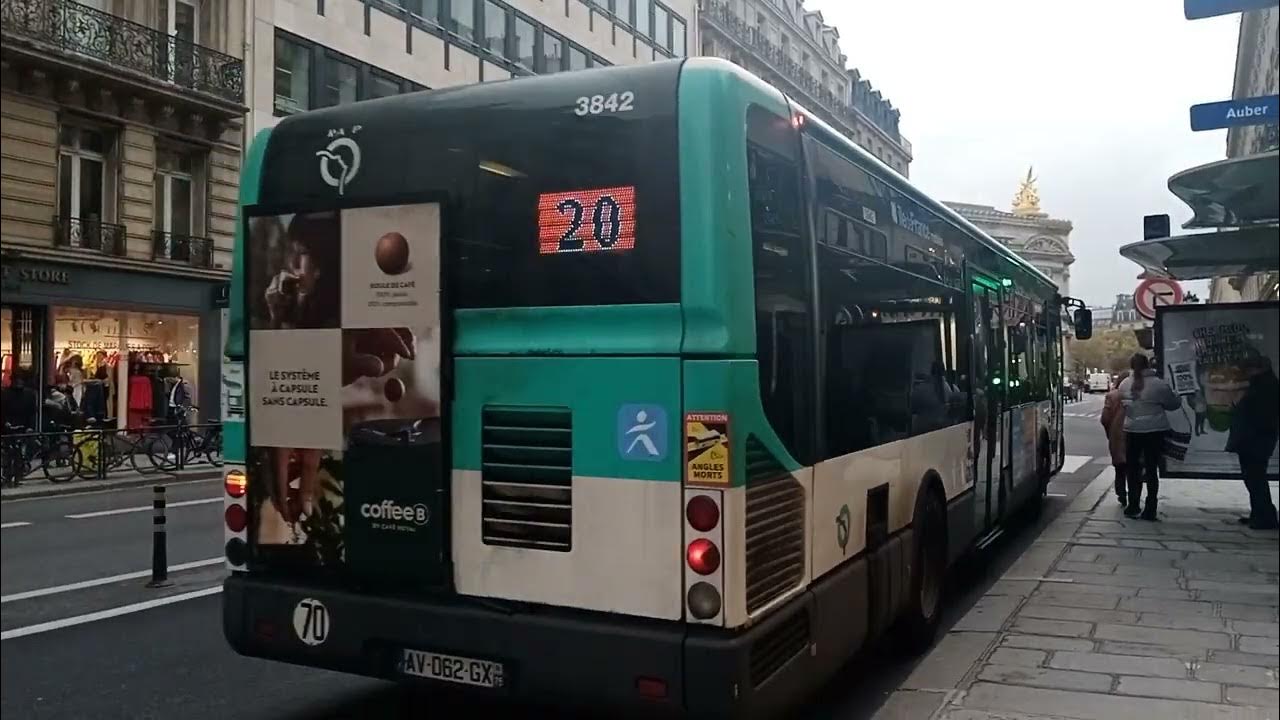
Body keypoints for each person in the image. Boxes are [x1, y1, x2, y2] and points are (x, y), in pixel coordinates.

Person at [1117, 354, 1181, 520]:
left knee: (1133, 469)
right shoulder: (1158, 384)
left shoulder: (1124, 384)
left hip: (1132, 430)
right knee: (1152, 469)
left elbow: (1123, 404)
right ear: (1148, 365)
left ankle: (1133, 504)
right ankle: (1150, 507)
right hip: (1155, 430)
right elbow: (1173, 404)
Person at [1226, 355, 1279, 530]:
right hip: (1256, 439)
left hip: (1254, 440)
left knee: (1255, 479)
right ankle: (1260, 513)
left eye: (1249, 369)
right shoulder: (1266, 384)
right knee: (1255, 479)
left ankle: (1264, 517)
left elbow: (1259, 415)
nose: (1246, 373)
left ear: (1257, 369)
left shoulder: (1264, 387)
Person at [1100, 370, 1131, 506]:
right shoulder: (1135, 393)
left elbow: (1105, 418)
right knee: (1133, 466)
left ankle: (1121, 493)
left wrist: (1110, 432)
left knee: (1119, 467)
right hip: (1133, 433)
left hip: (1117, 435)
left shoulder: (1112, 396)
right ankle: (1133, 494)